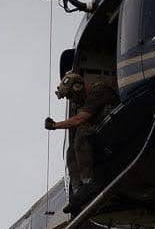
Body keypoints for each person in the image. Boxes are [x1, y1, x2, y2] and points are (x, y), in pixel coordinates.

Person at [44, 73, 119, 211]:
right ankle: (79, 191)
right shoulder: (85, 101)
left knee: (82, 131)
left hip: (116, 124)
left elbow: (80, 119)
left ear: (78, 87)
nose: (71, 100)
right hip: (102, 130)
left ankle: (88, 183)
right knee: (71, 150)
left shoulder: (99, 91)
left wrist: (55, 125)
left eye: (70, 96)